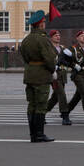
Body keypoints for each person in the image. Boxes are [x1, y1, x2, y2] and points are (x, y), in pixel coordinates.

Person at [19, 10, 57, 143]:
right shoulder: (43, 40)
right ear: (40, 25)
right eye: (44, 22)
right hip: (41, 75)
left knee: (32, 105)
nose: (45, 24)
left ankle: (33, 134)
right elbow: (50, 59)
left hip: (29, 74)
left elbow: (24, 57)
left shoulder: (26, 40)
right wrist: (53, 70)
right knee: (41, 105)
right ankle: (39, 134)